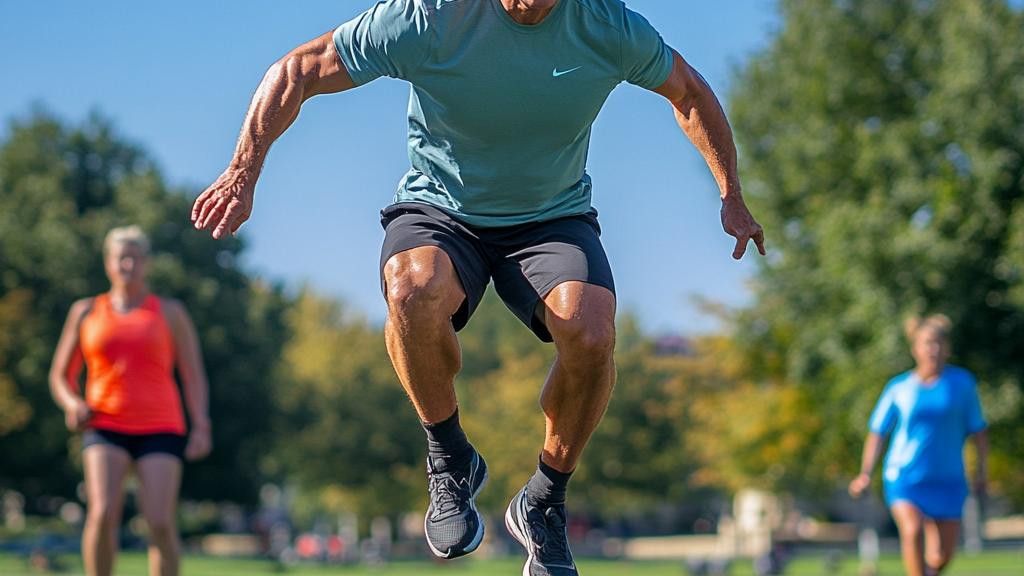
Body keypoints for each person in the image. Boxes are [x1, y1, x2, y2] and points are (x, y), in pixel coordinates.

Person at [191, 1, 765, 573]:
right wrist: (243, 171)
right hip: (440, 208)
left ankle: (545, 499)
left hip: (550, 216)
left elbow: (688, 91)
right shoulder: (431, 16)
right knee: (412, 289)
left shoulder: (605, 25)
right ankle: (448, 458)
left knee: (591, 332)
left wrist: (729, 192)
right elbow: (301, 68)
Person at [49, 226, 212, 576]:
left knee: (159, 521)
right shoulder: (85, 312)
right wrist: (72, 403)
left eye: (135, 258)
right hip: (105, 422)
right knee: (103, 512)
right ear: (108, 264)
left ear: (147, 264)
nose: (128, 265)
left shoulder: (170, 312)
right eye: (121, 257)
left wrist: (200, 424)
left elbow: (193, 375)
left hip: (161, 425)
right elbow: (60, 376)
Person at [849, 315, 988, 576]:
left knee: (942, 556)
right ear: (915, 348)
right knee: (912, 530)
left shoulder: (962, 384)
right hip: (904, 476)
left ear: (947, 348)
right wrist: (865, 473)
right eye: (927, 343)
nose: (933, 349)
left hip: (948, 479)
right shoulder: (898, 388)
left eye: (938, 343)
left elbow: (979, 431)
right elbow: (878, 432)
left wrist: (981, 472)